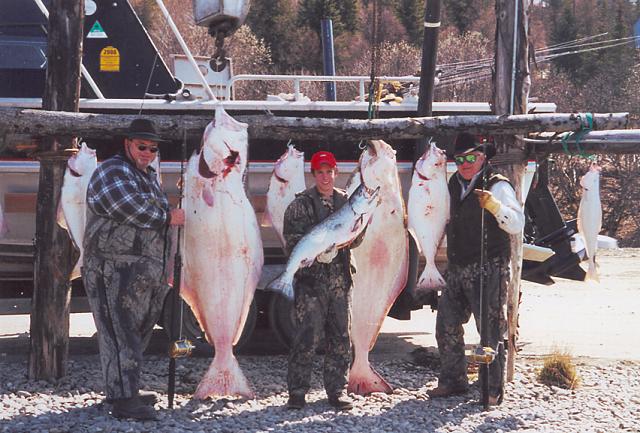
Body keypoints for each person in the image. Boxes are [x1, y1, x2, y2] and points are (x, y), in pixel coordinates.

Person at [83, 118, 185, 420]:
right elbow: (126, 206)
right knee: (119, 334)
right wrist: (168, 216)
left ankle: (124, 390)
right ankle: (124, 401)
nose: (148, 152)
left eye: (153, 148)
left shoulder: (148, 175)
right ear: (127, 144)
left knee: (136, 333)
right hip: (112, 268)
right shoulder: (112, 170)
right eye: (142, 146)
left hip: (143, 272)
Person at [428, 133, 524, 405]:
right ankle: (452, 381)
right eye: (460, 159)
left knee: (490, 331)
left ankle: (492, 389)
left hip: (490, 268)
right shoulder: (452, 184)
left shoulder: (498, 185)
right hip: (458, 266)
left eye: (471, 157)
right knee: (446, 323)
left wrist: (495, 207)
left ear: (482, 157)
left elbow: (517, 223)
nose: (465, 163)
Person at [283, 150, 363, 411]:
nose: (325, 176)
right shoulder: (300, 204)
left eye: (329, 171)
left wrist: (355, 234)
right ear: (313, 174)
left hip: (340, 281)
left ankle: (337, 390)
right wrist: (317, 255)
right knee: (307, 336)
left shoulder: (348, 203)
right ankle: (296, 392)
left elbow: (358, 237)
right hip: (310, 283)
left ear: (336, 172)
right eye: (320, 172)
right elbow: (293, 241)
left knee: (340, 336)